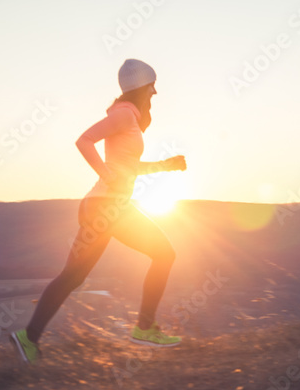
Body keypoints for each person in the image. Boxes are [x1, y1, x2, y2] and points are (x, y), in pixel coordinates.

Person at [10, 59, 187, 362]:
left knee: (72, 277)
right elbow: (84, 140)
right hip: (110, 208)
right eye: (152, 86)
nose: (156, 92)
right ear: (142, 88)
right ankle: (144, 328)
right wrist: (106, 175)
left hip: (100, 208)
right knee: (165, 254)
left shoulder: (127, 118)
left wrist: (165, 166)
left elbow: (129, 168)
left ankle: (28, 338)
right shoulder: (122, 117)